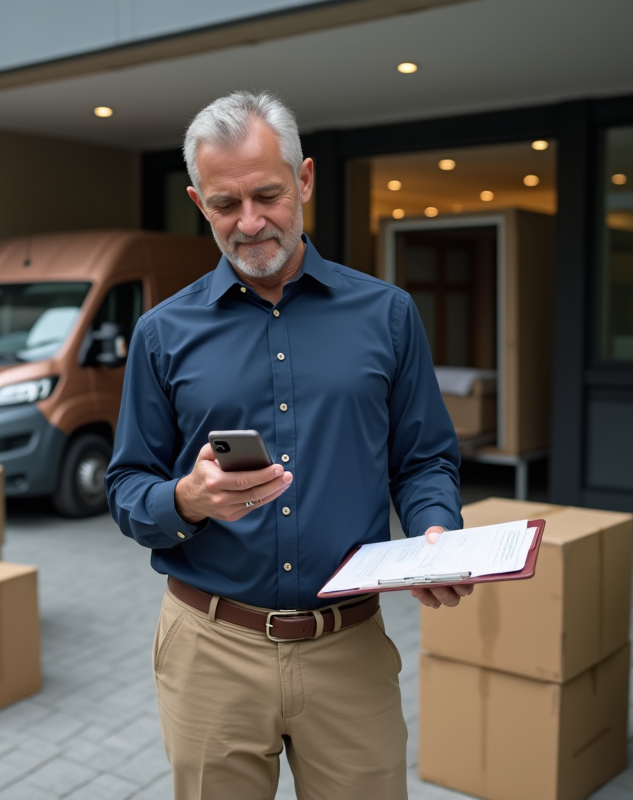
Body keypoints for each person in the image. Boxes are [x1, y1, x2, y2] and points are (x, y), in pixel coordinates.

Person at [106, 90, 467, 800]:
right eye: (224, 205)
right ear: (197, 202)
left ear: (303, 180)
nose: (249, 223)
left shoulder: (388, 315)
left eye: (267, 194)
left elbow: (424, 459)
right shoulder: (161, 334)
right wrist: (187, 498)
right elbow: (126, 488)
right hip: (210, 648)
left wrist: (436, 531)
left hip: (350, 648)